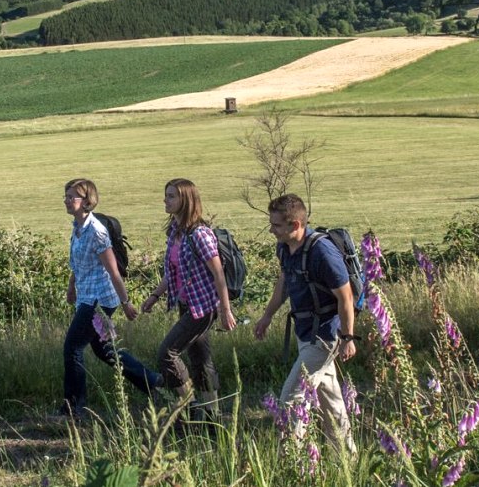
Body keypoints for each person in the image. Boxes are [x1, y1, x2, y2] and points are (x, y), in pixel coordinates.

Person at [251, 193, 357, 452]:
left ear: (295, 225)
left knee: (291, 398)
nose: (271, 230)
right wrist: (267, 316)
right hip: (304, 332)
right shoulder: (285, 248)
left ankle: (292, 460)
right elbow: (284, 283)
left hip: (324, 335)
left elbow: (346, 298)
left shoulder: (323, 252)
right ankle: (347, 457)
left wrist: (347, 337)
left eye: (276, 225)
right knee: (330, 400)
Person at [59, 178, 160, 418]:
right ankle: (153, 381)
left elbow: (113, 271)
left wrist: (126, 303)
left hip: (100, 299)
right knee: (104, 349)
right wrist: (71, 287)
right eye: (66, 195)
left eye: (71, 196)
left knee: (72, 347)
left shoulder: (97, 231)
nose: (66, 200)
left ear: (86, 201)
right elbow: (78, 263)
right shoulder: (77, 228)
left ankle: (74, 407)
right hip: (86, 295)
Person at [141, 178, 236, 423]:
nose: (165, 200)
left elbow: (218, 275)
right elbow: (174, 272)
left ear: (186, 200)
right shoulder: (175, 232)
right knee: (200, 360)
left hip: (203, 308)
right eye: (166, 195)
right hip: (187, 305)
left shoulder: (199, 235)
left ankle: (191, 407)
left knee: (167, 354)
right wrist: (154, 296)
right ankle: (212, 416)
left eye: (171, 196)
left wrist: (225, 311)